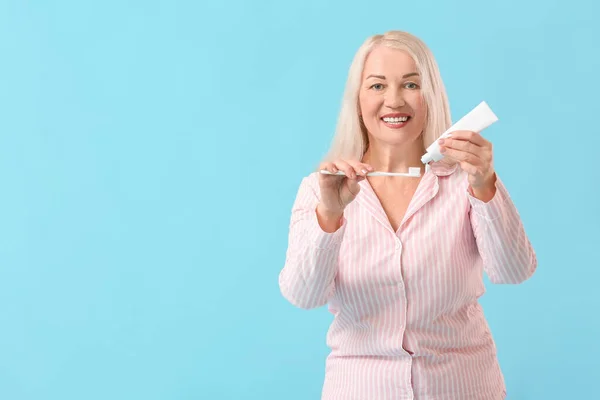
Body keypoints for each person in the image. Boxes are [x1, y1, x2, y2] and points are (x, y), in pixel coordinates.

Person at [278, 30, 537, 400]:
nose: (394, 101)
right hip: (360, 387)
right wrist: (330, 215)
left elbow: (514, 272)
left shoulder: (469, 180)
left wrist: (485, 184)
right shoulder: (319, 188)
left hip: (462, 386)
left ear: (430, 93)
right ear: (358, 98)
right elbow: (303, 295)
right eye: (377, 86)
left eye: (410, 84)